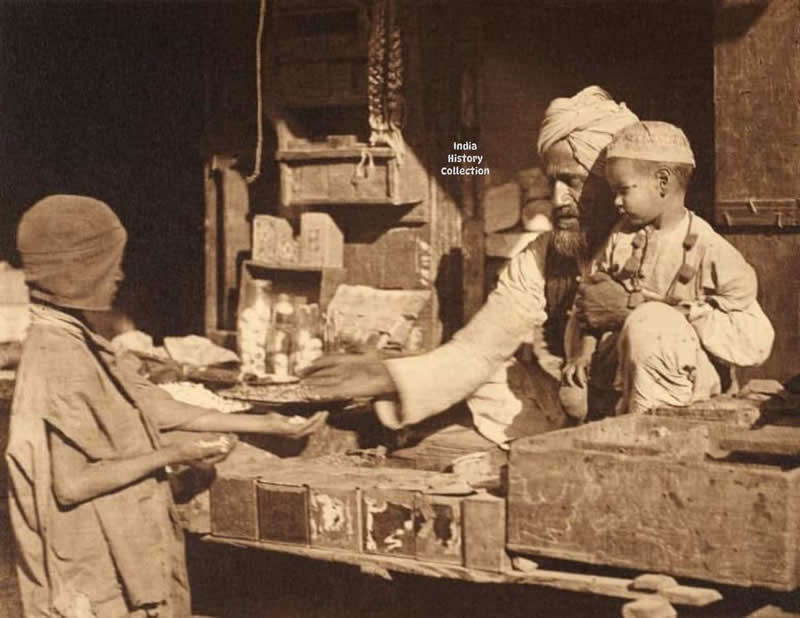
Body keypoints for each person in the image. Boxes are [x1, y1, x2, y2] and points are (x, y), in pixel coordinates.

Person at [6, 195, 327, 618]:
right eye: (111, 263)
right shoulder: (58, 357)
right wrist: (172, 454)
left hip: (112, 549)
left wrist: (264, 423)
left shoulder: (75, 338)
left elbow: (149, 407)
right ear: (79, 271)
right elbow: (72, 485)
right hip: (89, 570)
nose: (119, 274)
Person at [302, 86, 640, 444]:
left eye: (571, 182)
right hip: (577, 409)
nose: (558, 200)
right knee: (492, 375)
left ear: (612, 183)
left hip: (642, 415)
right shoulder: (541, 255)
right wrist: (388, 374)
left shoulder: (662, 243)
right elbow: (478, 350)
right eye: (552, 182)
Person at [561, 121, 773, 414]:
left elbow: (755, 340)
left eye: (623, 190)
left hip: (686, 377)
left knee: (651, 325)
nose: (616, 202)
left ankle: (654, 429)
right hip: (620, 372)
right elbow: (591, 307)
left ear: (663, 181)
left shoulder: (708, 248)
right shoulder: (619, 237)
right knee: (573, 400)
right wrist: (582, 355)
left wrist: (668, 313)